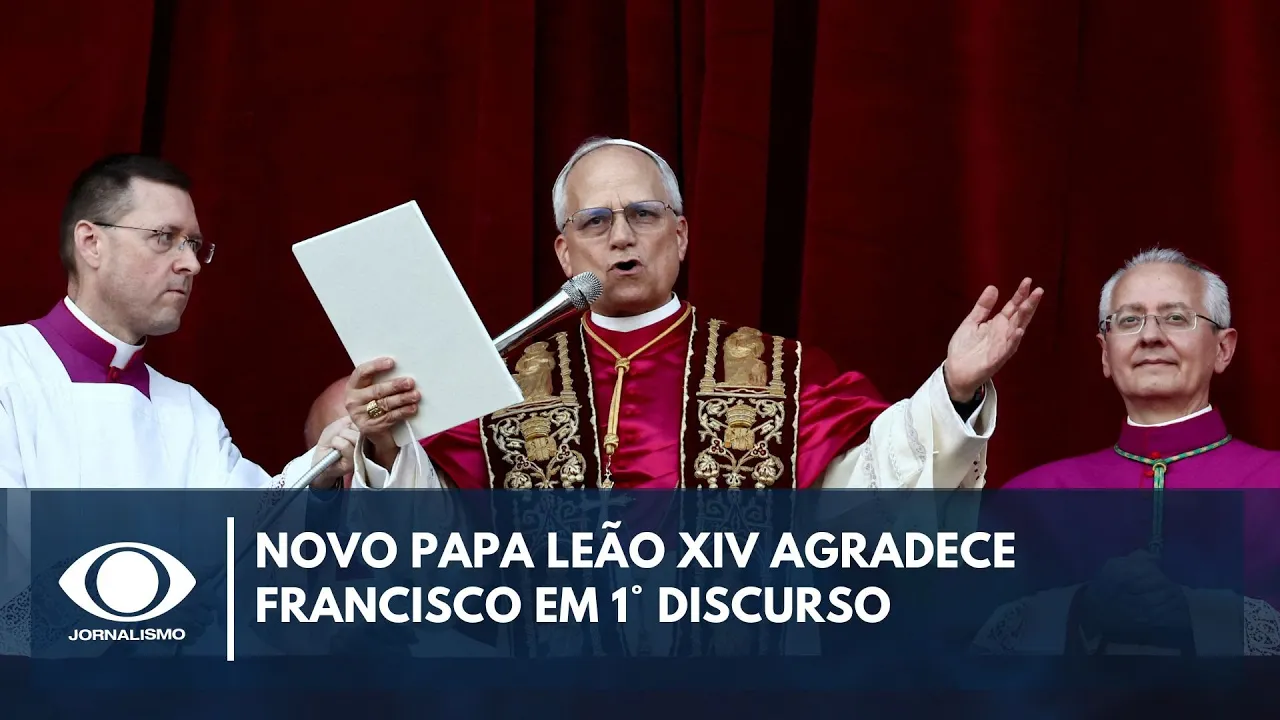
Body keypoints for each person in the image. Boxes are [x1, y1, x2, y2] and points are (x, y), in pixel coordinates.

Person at [340, 137, 1044, 492]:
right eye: (595, 221)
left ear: (680, 236)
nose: (622, 237)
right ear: (564, 251)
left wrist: (953, 390)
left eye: (644, 214)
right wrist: (384, 445)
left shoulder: (780, 374)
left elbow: (872, 493)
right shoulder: (501, 382)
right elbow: (434, 546)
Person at [0, 154, 359, 655]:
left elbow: (254, 548)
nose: (189, 263)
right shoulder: (9, 371)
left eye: (193, 244)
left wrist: (321, 473)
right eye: (164, 237)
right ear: (91, 243)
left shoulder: (188, 412)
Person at [975, 248, 1280, 655]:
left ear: (1223, 349)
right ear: (1106, 354)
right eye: (1129, 320)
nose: (1150, 336)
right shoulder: (1030, 499)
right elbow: (965, 649)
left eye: (1176, 318)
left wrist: (1197, 616)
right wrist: (1080, 611)